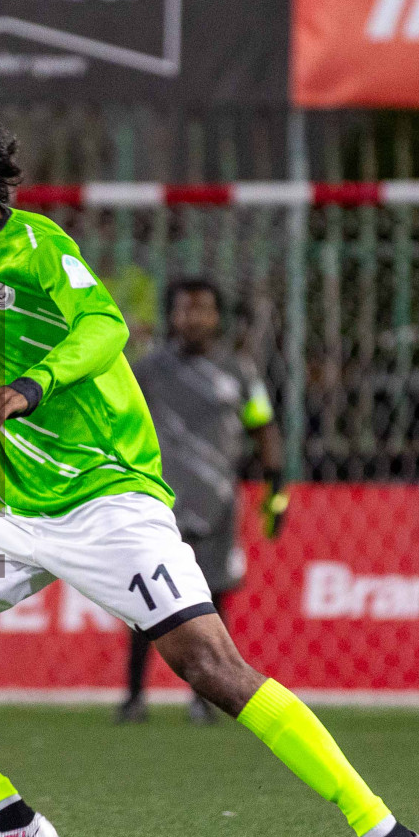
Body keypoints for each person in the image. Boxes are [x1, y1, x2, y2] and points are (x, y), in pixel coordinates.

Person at [0, 85, 419, 837]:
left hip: (110, 500)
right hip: (24, 509)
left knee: (210, 666)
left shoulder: (38, 246)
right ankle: (8, 822)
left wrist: (29, 386)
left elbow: (108, 327)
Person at [123, 278, 288, 725]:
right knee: (146, 596)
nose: (193, 319)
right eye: (184, 310)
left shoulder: (240, 371)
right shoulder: (147, 369)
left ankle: (207, 699)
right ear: (172, 316)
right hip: (155, 500)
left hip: (218, 500)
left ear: (217, 317)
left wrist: (276, 488)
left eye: (203, 310)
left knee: (211, 598)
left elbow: (264, 427)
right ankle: (134, 697)